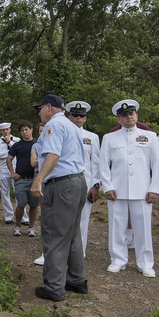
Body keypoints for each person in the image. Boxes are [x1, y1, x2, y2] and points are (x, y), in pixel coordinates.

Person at [32, 94, 88, 302]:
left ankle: (54, 288)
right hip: (77, 182)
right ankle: (77, 280)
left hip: (61, 184)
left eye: (40, 108)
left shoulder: (53, 126)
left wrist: (38, 179)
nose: (39, 113)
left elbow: (53, 155)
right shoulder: (71, 125)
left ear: (48, 107)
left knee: (55, 235)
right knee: (72, 234)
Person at [99, 100, 159, 278]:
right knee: (116, 227)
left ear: (137, 116)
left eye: (131, 114)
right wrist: (107, 186)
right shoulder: (109, 138)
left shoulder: (149, 137)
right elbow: (104, 165)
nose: (129, 117)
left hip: (142, 190)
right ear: (118, 119)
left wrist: (154, 188)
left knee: (143, 229)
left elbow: (157, 165)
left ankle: (145, 263)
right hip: (117, 190)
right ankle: (118, 259)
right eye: (125, 115)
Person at [65, 100, 100, 257]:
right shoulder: (63, 134)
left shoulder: (92, 137)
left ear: (85, 118)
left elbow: (96, 162)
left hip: (85, 183)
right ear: (69, 116)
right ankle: (63, 252)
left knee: (83, 220)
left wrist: (95, 185)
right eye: (75, 115)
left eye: (81, 115)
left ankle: (80, 253)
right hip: (65, 182)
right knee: (64, 218)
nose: (78, 118)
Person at [7, 120, 39, 237]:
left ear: (31, 129)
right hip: (21, 178)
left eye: (26, 129)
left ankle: (31, 227)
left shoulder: (38, 144)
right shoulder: (17, 145)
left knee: (34, 205)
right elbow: (8, 159)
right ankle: (17, 226)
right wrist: (12, 173)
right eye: (22, 130)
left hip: (35, 178)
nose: (24, 132)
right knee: (21, 203)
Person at [0, 122, 21, 224]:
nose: (5, 131)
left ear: (10, 129)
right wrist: (11, 153)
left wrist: (9, 143)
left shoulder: (17, 140)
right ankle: (9, 216)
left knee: (18, 192)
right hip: (3, 170)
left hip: (15, 168)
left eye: (7, 129)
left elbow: (18, 151)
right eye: (3, 130)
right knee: (5, 193)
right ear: (0, 131)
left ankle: (22, 216)